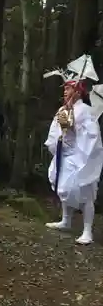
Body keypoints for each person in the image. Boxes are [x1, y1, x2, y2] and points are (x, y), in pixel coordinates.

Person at [44, 79, 103, 245]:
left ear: (78, 92)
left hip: (81, 155)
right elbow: (60, 131)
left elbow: (90, 133)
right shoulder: (63, 109)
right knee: (63, 186)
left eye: (69, 88)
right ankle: (66, 220)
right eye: (64, 88)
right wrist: (65, 117)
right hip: (66, 154)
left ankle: (87, 230)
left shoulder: (85, 110)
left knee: (84, 190)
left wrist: (74, 123)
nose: (65, 91)